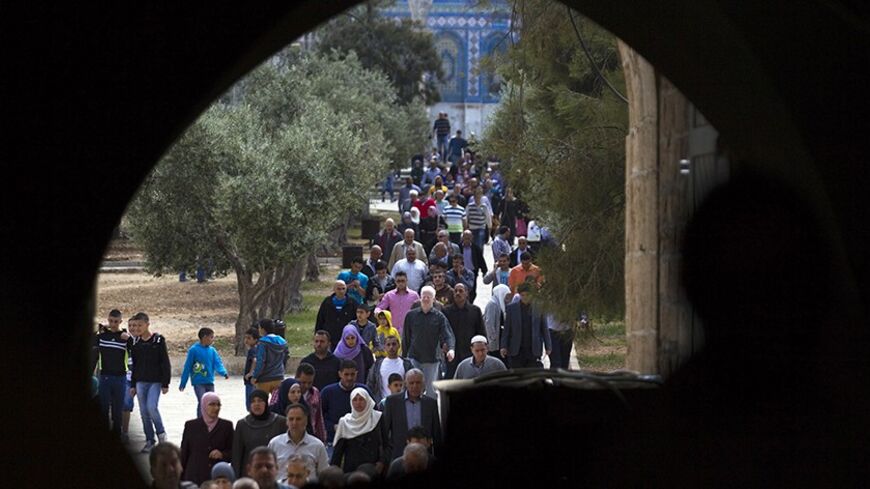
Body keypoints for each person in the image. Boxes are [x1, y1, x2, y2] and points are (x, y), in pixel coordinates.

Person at [401, 287, 455, 398]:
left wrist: (451, 349)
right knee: (412, 388)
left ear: (433, 299)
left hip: (432, 359)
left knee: (431, 392)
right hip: (414, 358)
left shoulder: (439, 317)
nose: (425, 299)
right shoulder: (411, 315)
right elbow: (406, 337)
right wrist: (404, 356)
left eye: (428, 297)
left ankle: (430, 413)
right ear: (420, 297)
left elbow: (448, 334)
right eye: (423, 296)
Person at [129, 311, 171, 453]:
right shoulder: (135, 343)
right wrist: (133, 385)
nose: (138, 328)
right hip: (141, 381)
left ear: (147, 324)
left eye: (140, 325)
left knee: (152, 407)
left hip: (155, 381)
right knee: (143, 412)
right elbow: (135, 365)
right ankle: (149, 440)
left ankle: (161, 434)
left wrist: (166, 383)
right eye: (136, 326)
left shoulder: (158, 340)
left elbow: (165, 362)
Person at [381, 369, 442, 461]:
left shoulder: (431, 404)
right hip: (400, 455)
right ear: (406, 384)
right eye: (411, 383)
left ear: (423, 384)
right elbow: (384, 432)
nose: (415, 386)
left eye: (418, 383)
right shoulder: (392, 402)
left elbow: (436, 434)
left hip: (424, 457)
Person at [180, 392, 234, 485]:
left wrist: (222, 454)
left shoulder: (226, 426)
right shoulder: (191, 426)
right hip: (194, 476)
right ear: (204, 406)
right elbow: (184, 453)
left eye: (218, 405)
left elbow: (234, 451)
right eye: (212, 404)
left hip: (216, 479)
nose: (216, 408)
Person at [268, 403, 330, 483]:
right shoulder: (274, 444)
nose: (294, 423)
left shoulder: (318, 446)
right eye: (291, 419)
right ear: (286, 421)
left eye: (298, 419)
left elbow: (324, 475)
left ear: (306, 421)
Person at [232, 390, 287, 478]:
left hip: (273, 474)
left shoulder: (280, 422)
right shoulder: (242, 424)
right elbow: (237, 455)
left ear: (266, 403)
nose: (256, 404)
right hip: (250, 475)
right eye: (253, 401)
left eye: (260, 401)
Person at [331, 387, 387, 473]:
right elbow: (338, 452)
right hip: (351, 470)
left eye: (361, 399)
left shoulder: (377, 417)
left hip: (374, 468)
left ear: (367, 400)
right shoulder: (345, 421)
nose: (358, 403)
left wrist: (382, 462)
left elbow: (385, 443)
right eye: (355, 400)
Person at [94, 309, 130, 438]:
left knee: (117, 409)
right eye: (111, 321)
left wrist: (129, 338)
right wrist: (102, 328)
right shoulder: (102, 336)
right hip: (105, 377)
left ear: (120, 321)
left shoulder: (124, 337)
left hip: (120, 378)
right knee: (103, 407)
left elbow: (136, 348)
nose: (113, 323)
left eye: (116, 321)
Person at [180, 327, 229, 418]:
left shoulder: (212, 351)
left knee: (212, 402)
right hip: (198, 382)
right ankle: (200, 421)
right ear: (204, 337)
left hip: (209, 381)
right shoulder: (193, 350)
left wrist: (223, 372)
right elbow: (187, 366)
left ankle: (210, 420)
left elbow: (218, 363)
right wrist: (183, 382)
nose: (212, 340)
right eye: (211, 337)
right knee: (202, 401)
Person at [501, 283, 552, 368]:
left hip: (533, 349)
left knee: (532, 375)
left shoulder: (539, 307)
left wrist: (548, 346)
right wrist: (503, 346)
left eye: (527, 295)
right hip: (516, 349)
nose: (525, 297)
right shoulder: (511, 308)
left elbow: (544, 328)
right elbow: (507, 329)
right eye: (522, 295)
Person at [320, 361, 370, 447]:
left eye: (352, 374)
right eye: (346, 374)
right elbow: (319, 417)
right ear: (340, 374)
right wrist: (333, 427)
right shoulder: (328, 392)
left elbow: (372, 413)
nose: (349, 378)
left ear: (356, 374)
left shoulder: (364, 391)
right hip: (334, 440)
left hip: (360, 441)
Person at [442, 283, 485, 379]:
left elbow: (481, 331)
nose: (458, 293)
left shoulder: (475, 311)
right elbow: (442, 331)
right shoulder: (446, 311)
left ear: (466, 293)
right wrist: (443, 344)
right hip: (452, 353)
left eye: (461, 291)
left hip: (469, 352)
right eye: (455, 291)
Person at [366, 335, 413, 404]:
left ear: (399, 346)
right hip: (383, 404)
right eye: (388, 345)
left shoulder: (406, 364)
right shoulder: (377, 365)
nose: (391, 347)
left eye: (394, 344)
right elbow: (370, 384)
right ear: (384, 347)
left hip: (403, 403)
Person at [314, 281, 358, 352]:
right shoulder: (327, 302)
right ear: (334, 289)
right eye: (339, 289)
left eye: (343, 289)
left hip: (346, 338)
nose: (341, 291)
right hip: (329, 337)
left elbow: (357, 319)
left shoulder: (352, 302)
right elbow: (320, 319)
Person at [251, 319, 289, 396]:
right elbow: (285, 358)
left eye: (259, 328)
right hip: (278, 377)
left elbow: (261, 361)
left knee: (262, 402)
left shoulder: (262, 343)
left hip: (264, 378)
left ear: (263, 329)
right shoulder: (282, 342)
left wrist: (255, 376)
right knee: (277, 404)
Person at [484, 284, 511, 357]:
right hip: (494, 342)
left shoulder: (499, 304)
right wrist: (493, 338)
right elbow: (489, 323)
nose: (507, 299)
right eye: (506, 296)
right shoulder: (492, 304)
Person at [243, 327, 259, 411]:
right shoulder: (257, 349)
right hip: (253, 381)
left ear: (255, 339)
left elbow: (255, 360)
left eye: (249, 338)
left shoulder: (252, 350)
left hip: (250, 382)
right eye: (245, 338)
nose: (246, 340)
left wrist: (251, 373)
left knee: (250, 405)